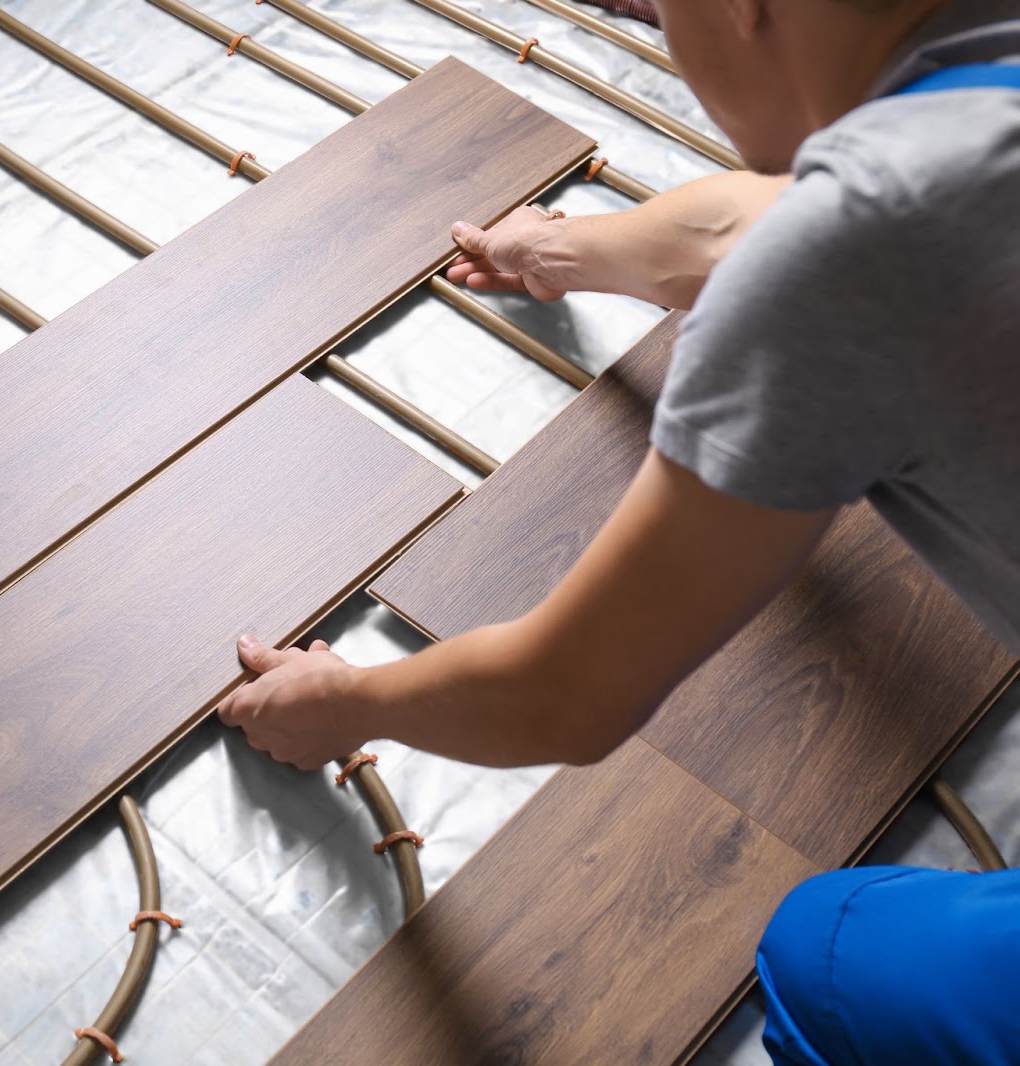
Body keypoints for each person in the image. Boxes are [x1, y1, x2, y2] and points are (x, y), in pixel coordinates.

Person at [216, 1, 1020, 1062]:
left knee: (821, 952)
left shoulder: (860, 251)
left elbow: (563, 696)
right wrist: (559, 249)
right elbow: (787, 227)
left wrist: (339, 702)